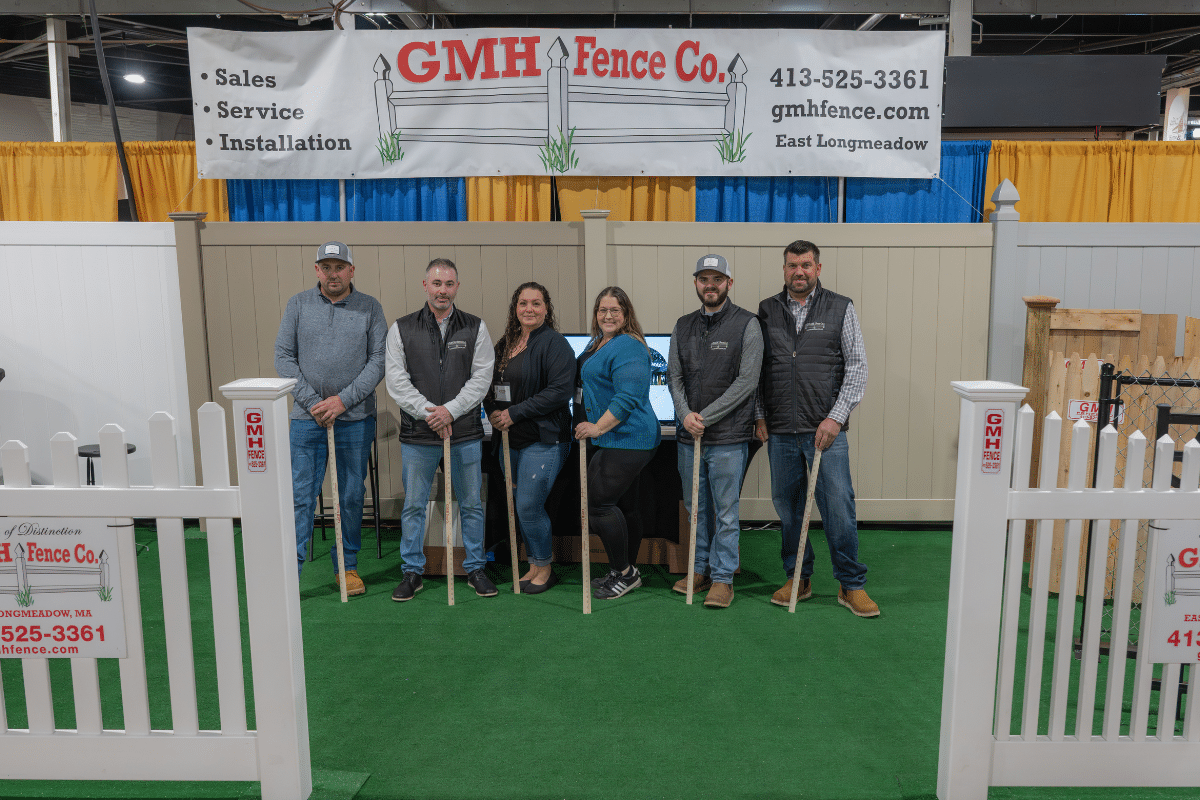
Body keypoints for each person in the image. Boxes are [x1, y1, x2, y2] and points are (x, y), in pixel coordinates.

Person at [756, 240, 879, 617]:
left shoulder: (841, 307)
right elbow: (758, 370)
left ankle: (850, 585)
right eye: (792, 265)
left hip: (826, 431)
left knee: (839, 508)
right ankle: (799, 577)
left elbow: (857, 366)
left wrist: (835, 417)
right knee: (790, 510)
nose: (799, 271)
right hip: (780, 431)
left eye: (806, 265)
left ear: (818, 269)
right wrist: (760, 415)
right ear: (784, 269)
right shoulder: (767, 310)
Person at [275, 241, 386, 596]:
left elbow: (379, 361)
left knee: (352, 495)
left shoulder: (370, 308)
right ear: (317, 270)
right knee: (301, 496)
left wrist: (342, 401)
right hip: (307, 420)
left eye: (340, 267)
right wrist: (314, 403)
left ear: (351, 271)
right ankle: (289, 570)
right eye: (327, 267)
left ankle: (347, 568)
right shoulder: (298, 304)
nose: (333, 273)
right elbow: (283, 356)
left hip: (354, 420)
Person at [385, 258, 498, 602]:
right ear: (425, 286)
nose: (443, 291)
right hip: (418, 437)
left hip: (464, 434)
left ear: (457, 287)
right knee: (414, 506)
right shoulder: (401, 328)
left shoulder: (475, 328)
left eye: (449, 284)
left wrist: (450, 411)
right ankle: (412, 572)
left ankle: (475, 567)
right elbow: (396, 381)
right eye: (437, 284)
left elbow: (481, 378)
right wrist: (429, 414)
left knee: (472, 504)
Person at [667, 254, 762, 609]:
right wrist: (684, 415)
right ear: (696, 283)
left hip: (727, 438)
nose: (710, 285)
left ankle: (723, 578)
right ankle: (699, 569)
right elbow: (673, 378)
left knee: (725, 511)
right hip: (688, 437)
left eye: (717, 279)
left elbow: (748, 381)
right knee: (695, 509)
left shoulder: (747, 324)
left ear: (729, 284)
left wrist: (703, 416)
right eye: (704, 278)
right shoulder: (682, 325)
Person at [485, 282, 575, 594]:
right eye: (523, 303)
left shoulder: (555, 344)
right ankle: (533, 566)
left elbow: (559, 392)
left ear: (546, 309)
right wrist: (493, 411)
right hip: (509, 439)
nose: (529, 309)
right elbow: (488, 383)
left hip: (545, 439)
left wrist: (515, 413)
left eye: (536, 304)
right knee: (518, 505)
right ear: (515, 308)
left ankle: (545, 567)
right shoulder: (505, 343)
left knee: (528, 506)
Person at [575, 287, 661, 600]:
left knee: (597, 505)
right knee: (621, 506)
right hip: (615, 437)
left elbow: (628, 397)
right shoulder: (600, 341)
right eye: (602, 310)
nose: (608, 316)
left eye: (615, 310)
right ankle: (620, 569)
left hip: (631, 437)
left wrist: (597, 427)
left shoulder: (628, 346)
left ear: (626, 314)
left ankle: (626, 574)